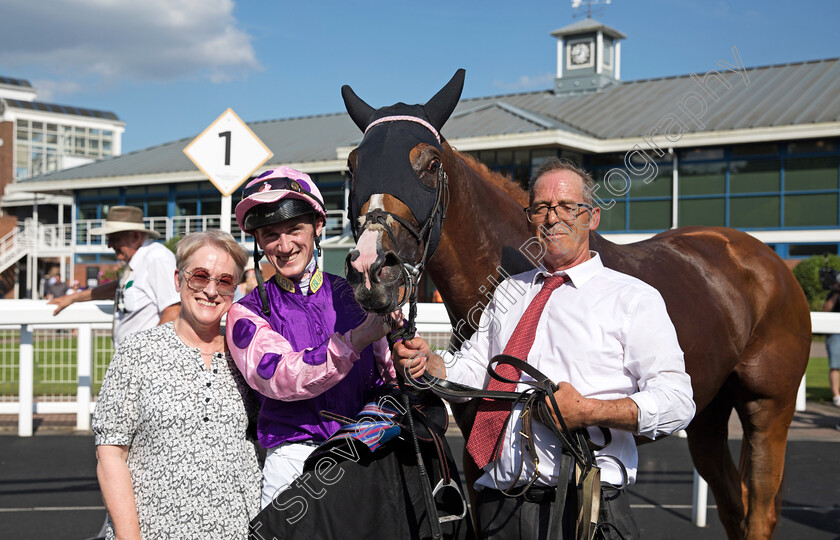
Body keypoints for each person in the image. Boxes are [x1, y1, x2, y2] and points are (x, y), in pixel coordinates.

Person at [393, 158, 696, 539]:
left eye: (567, 207)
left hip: (583, 507)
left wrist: (589, 411)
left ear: (592, 217)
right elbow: (477, 367)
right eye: (541, 208)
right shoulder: (509, 290)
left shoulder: (633, 299)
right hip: (500, 504)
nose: (553, 219)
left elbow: (678, 401)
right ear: (531, 218)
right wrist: (434, 364)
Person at [226, 166, 399, 509]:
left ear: (318, 227)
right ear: (258, 241)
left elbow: (394, 375)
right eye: (271, 235)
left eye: (294, 229)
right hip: (292, 462)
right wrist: (354, 341)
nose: (284, 245)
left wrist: (414, 356)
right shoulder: (245, 313)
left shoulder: (359, 294)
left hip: (366, 451)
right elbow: (282, 378)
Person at [92, 230, 261, 540]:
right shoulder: (138, 352)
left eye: (224, 281)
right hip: (154, 530)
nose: (211, 290)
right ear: (177, 279)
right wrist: (129, 536)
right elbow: (110, 453)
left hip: (237, 530)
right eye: (199, 276)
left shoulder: (247, 354)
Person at [48, 206, 181, 348]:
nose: (109, 245)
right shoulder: (138, 259)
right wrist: (73, 298)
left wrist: (147, 356)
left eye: (115, 239)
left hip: (145, 363)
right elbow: (121, 288)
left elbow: (174, 312)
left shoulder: (157, 258)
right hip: (132, 360)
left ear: (135, 237)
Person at [821, 284, 840, 407]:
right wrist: (836, 293)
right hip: (835, 333)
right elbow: (825, 310)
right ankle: (836, 396)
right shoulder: (834, 292)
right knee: (835, 365)